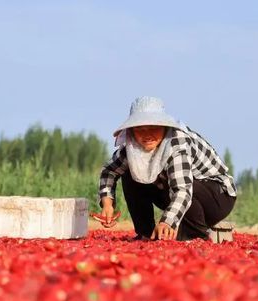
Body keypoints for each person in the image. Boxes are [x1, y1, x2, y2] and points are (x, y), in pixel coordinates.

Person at [98, 96, 236, 241]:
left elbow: (182, 190)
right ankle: (146, 233)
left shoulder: (177, 143)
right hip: (176, 194)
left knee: (184, 185)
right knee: (130, 173)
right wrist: (107, 203)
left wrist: (167, 221)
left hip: (216, 196)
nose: (147, 135)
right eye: (140, 129)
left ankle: (195, 235)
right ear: (132, 131)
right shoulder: (131, 147)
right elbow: (109, 171)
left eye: (153, 128)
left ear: (164, 127)